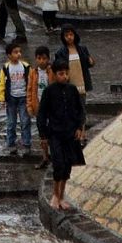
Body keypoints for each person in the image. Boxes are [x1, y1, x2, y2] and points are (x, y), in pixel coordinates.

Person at [35, 50, 89, 209]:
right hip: (55, 133)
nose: (64, 77)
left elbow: (80, 111)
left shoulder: (72, 90)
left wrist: (80, 127)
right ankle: (54, 195)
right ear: (54, 74)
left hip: (70, 133)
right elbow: (42, 114)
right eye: (60, 74)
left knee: (67, 165)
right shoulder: (49, 92)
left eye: (66, 73)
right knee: (58, 163)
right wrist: (43, 134)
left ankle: (62, 196)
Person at [0, 40, 34, 157]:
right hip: (11, 98)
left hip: (23, 97)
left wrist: (32, 97)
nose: (18, 54)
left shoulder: (26, 67)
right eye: (15, 52)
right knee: (11, 122)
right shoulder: (5, 68)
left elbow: (32, 82)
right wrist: (1, 98)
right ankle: (11, 143)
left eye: (19, 52)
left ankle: (26, 143)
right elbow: (1, 83)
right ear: (9, 55)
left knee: (25, 121)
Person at [55, 25, 93, 104]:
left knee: (82, 107)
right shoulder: (60, 52)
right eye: (66, 35)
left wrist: (91, 61)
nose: (69, 37)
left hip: (81, 82)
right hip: (68, 83)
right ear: (63, 37)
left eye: (71, 34)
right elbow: (58, 68)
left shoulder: (82, 49)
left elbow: (88, 64)